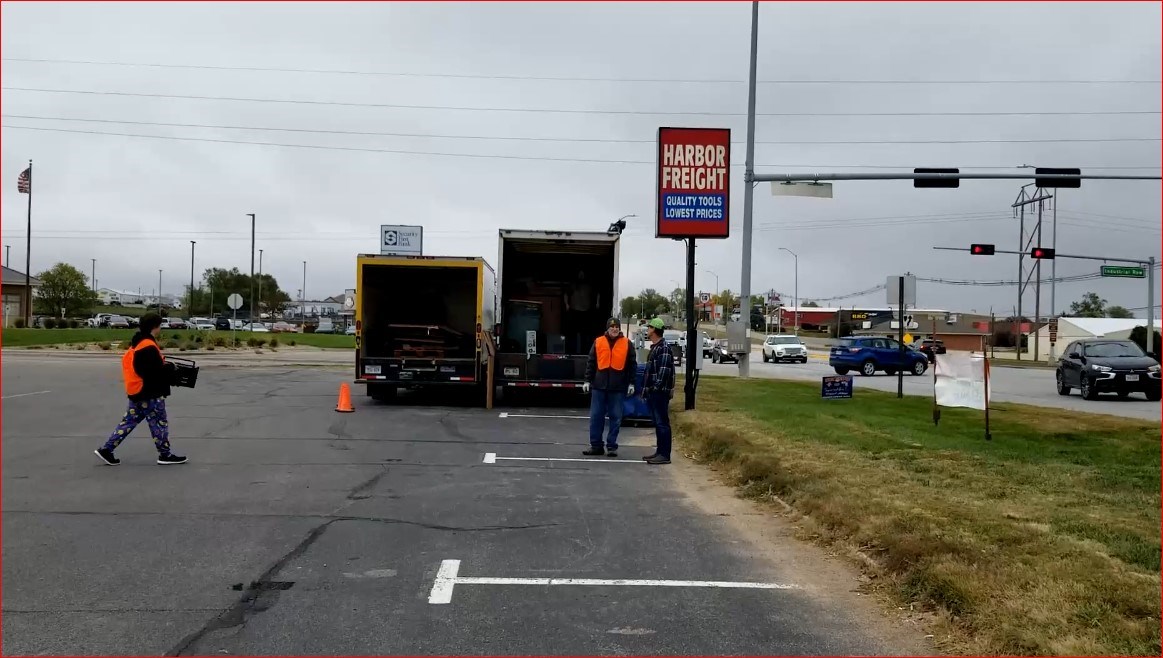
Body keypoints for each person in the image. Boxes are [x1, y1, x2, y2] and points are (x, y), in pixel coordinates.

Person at [95, 312, 188, 465]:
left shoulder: (137, 343)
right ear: (155, 327)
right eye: (159, 326)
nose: (160, 329)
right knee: (159, 423)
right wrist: (170, 369)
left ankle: (106, 449)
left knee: (127, 423)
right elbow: (151, 371)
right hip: (149, 392)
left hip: (137, 391)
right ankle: (165, 455)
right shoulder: (148, 346)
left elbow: (144, 367)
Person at [582, 317, 636, 457]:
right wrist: (587, 380)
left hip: (618, 388)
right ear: (607, 328)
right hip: (599, 386)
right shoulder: (598, 342)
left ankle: (611, 446)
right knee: (596, 417)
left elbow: (632, 365)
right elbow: (591, 362)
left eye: (617, 327)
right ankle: (596, 446)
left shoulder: (627, 343)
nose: (614, 329)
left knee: (616, 417)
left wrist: (631, 383)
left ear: (619, 329)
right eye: (612, 327)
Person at [640, 318, 675, 465]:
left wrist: (654, 388)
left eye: (649, 327)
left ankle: (664, 454)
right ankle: (659, 452)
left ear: (654, 329)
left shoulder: (663, 348)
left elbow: (663, 372)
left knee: (662, 423)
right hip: (654, 393)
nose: (647, 330)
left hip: (660, 393)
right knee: (657, 422)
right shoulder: (656, 347)